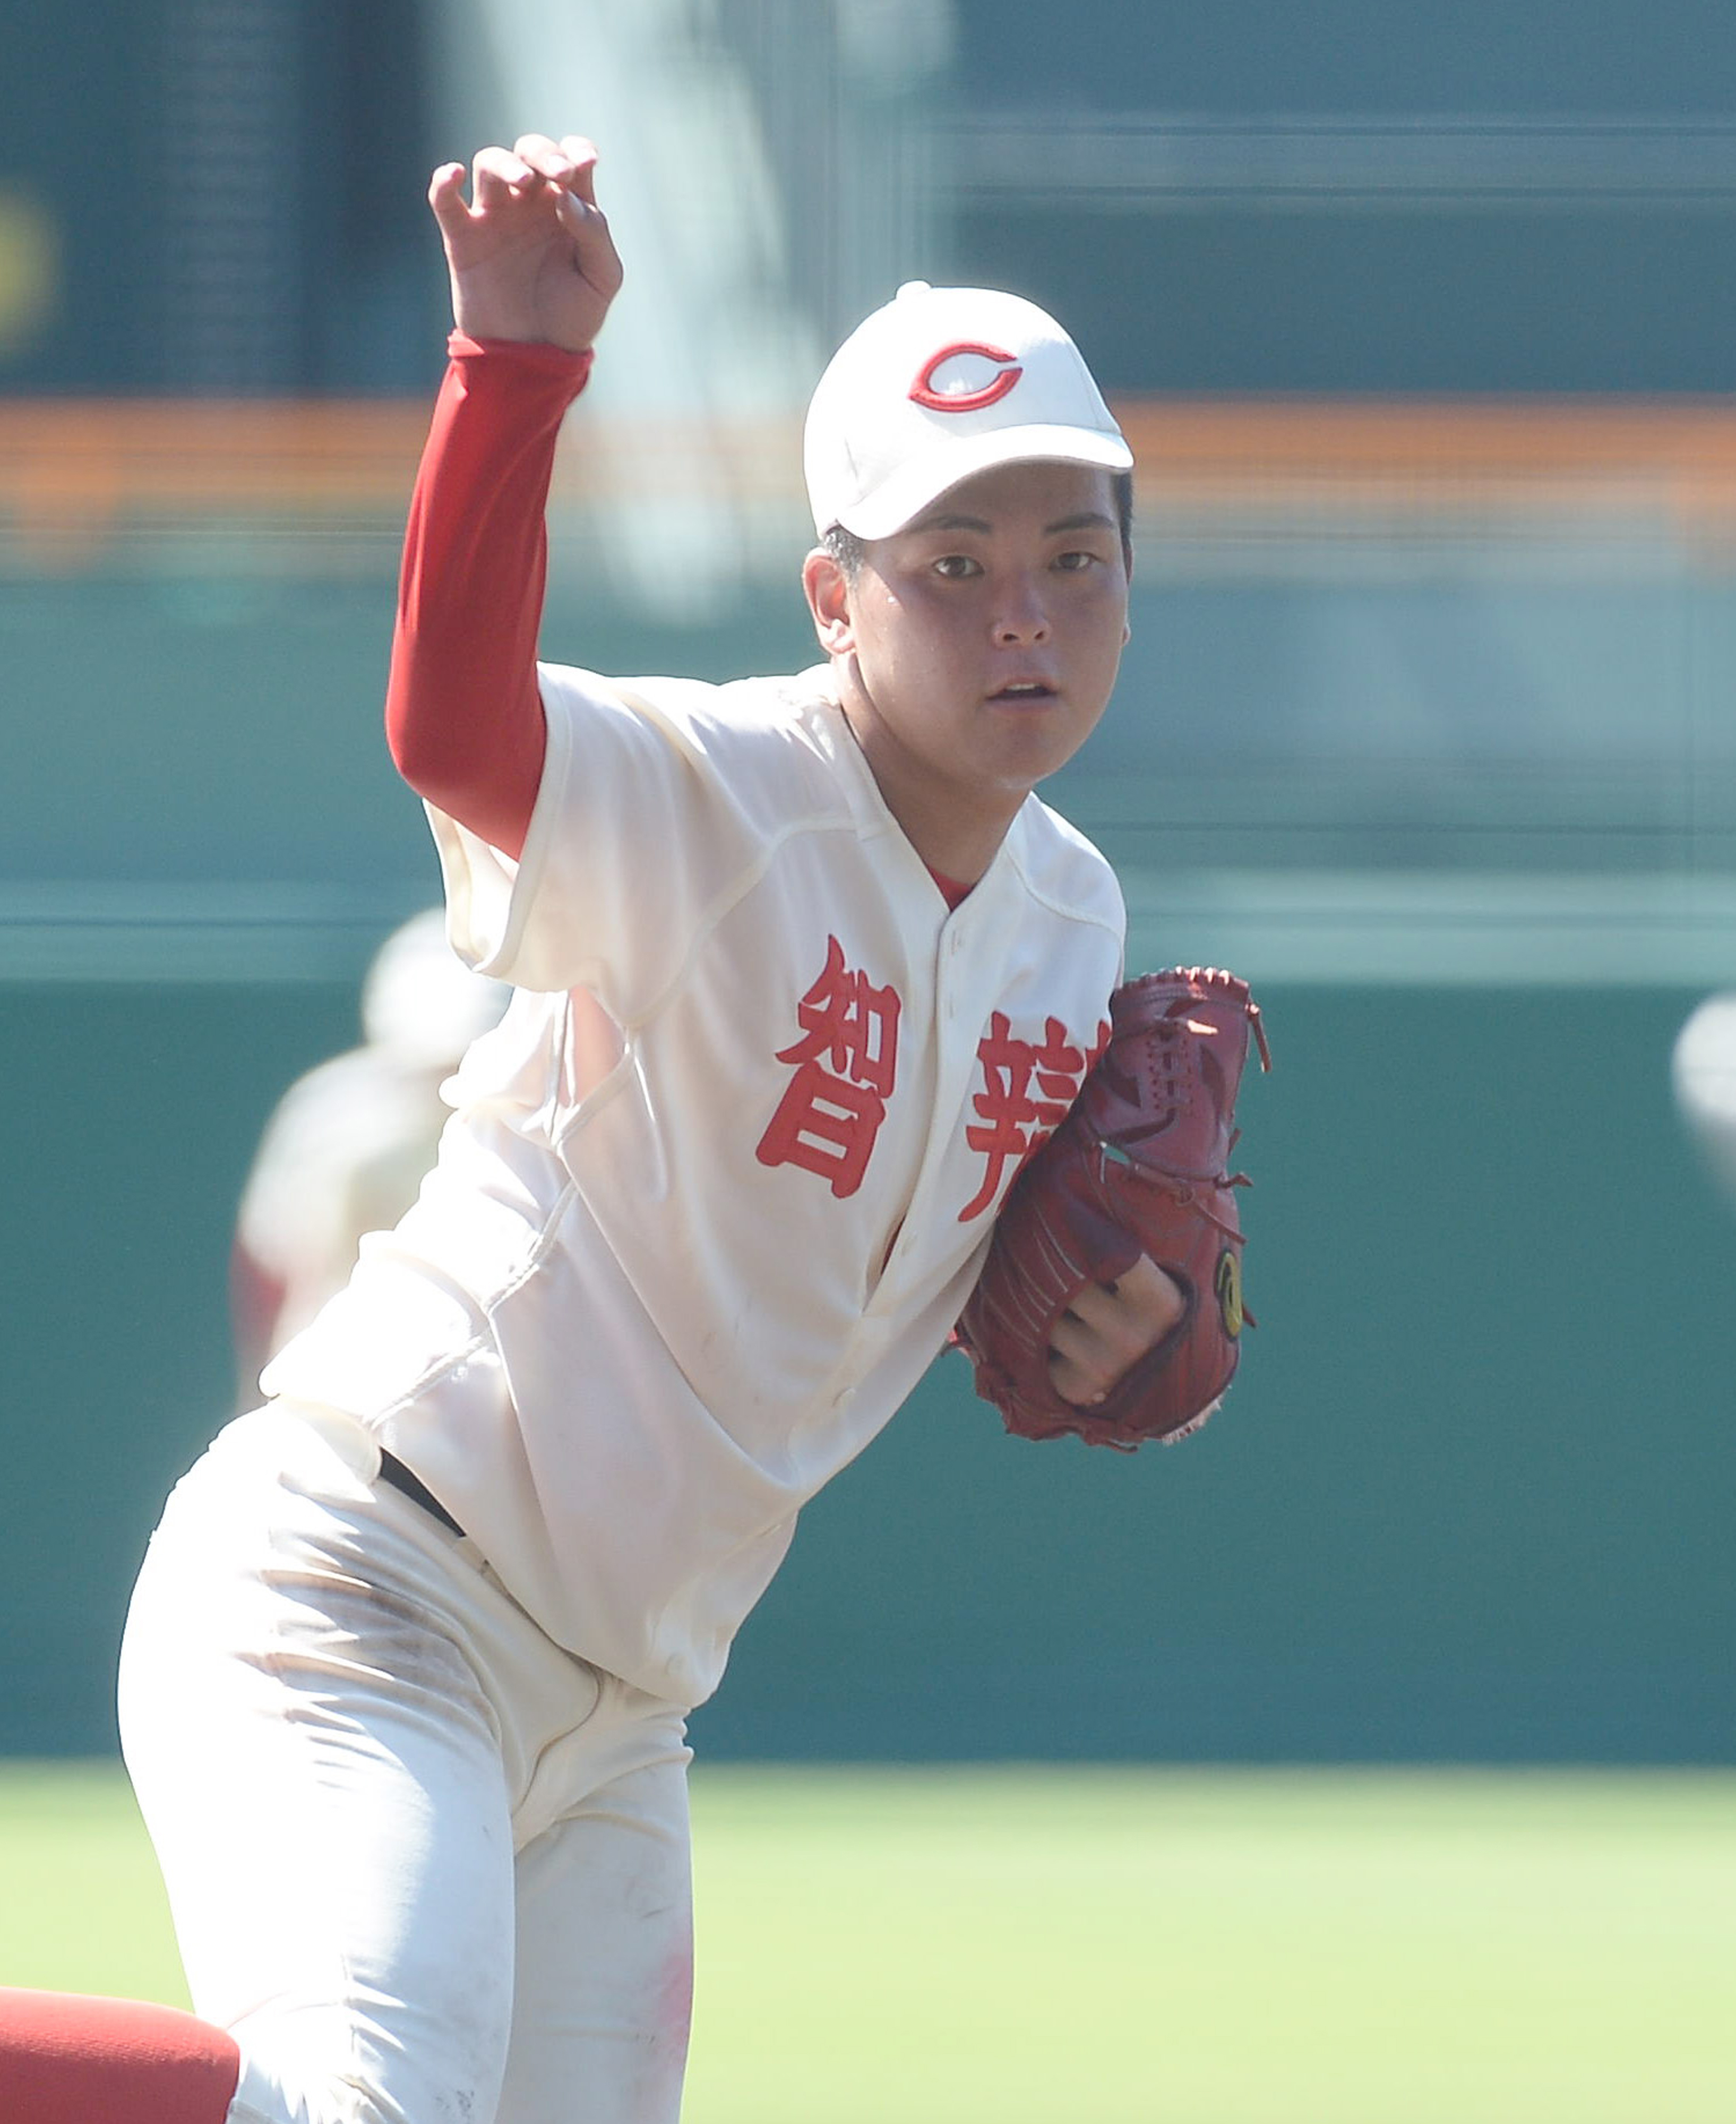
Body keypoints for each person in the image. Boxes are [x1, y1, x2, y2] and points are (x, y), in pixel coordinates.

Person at [0, 132, 1185, 2124]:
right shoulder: (724, 791)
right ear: (834, 597)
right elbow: (456, 733)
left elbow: (964, 1266)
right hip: (361, 1591)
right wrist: (511, 378)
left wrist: (1126, 1335)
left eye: (1072, 552)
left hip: (621, 1712)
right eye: (951, 563)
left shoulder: (1077, 920)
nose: (1021, 616)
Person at [230, 907, 509, 1401]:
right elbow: (274, 1269)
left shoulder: (560, 1124)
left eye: (461, 1062)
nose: (445, 1087)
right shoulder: (333, 1128)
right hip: (349, 1390)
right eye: (432, 1067)